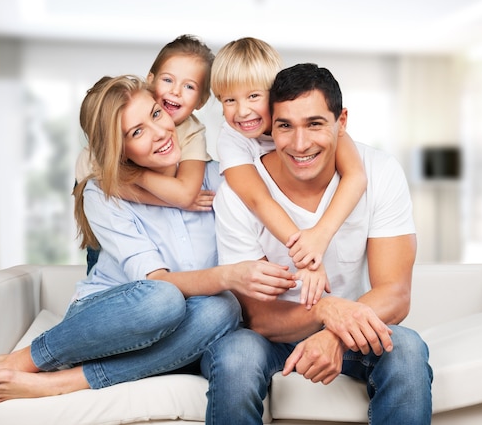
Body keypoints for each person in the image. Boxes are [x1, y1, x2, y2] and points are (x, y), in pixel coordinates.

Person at [0, 75, 296, 424]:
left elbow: (284, 157)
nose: (159, 133)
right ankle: (14, 363)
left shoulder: (220, 178)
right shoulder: (103, 194)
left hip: (191, 328)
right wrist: (228, 275)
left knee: (223, 309)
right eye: (136, 132)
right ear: (119, 148)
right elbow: (159, 282)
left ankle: (65, 382)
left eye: (156, 114)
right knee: (163, 298)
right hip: (113, 319)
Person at [202, 63, 433, 424]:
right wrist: (324, 311)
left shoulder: (380, 171)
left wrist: (335, 336)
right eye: (285, 126)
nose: (300, 144)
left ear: (341, 122)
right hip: (272, 337)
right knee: (236, 355)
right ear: (269, 126)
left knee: (405, 348)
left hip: (352, 329)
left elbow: (396, 293)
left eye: (314, 124)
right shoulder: (238, 194)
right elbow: (259, 317)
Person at [211, 38, 368, 308]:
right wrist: (307, 256)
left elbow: (356, 177)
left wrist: (320, 235)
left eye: (253, 96)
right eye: (229, 100)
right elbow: (258, 199)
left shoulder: (312, 120)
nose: (242, 111)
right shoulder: (232, 139)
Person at [76, 34, 216, 272]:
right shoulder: (110, 134)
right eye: (168, 80)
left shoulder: (191, 132)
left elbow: (184, 194)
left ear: (201, 101)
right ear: (150, 81)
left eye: (189, 86)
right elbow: (100, 185)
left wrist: (133, 175)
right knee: (104, 262)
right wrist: (168, 199)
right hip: (110, 221)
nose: (175, 92)